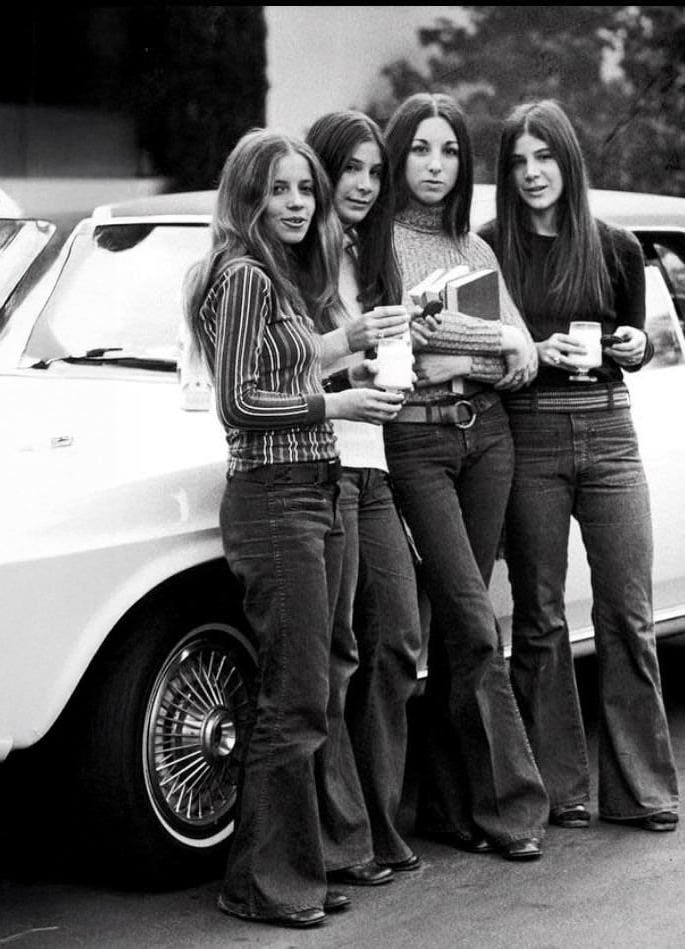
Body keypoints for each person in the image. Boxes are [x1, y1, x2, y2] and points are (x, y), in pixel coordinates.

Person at [183, 128, 405, 928]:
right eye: (279, 189)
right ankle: (263, 883)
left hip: (314, 486)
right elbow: (240, 402)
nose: (298, 203)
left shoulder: (274, 274)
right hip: (276, 497)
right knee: (296, 695)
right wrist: (338, 401)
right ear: (248, 197)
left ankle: (290, 870)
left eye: (305, 188)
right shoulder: (244, 274)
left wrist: (349, 354)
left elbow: (284, 366)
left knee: (305, 693)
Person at [482, 99, 679, 834]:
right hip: (529, 431)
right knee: (538, 615)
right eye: (518, 162)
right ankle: (560, 789)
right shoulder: (489, 249)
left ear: (569, 160)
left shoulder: (617, 246)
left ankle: (642, 790)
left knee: (628, 610)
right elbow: (481, 351)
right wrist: (533, 354)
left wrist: (637, 345)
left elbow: (638, 340)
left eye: (545, 157)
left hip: (610, 429)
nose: (533, 174)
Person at [382, 91, 549, 862]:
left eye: (449, 150)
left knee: (462, 630)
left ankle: (450, 808)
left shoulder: (476, 249)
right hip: (417, 445)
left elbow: (525, 356)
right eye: (421, 148)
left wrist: (476, 349)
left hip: (489, 440)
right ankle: (513, 808)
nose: (435, 165)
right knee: (476, 621)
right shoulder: (379, 243)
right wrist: (492, 342)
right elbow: (408, 340)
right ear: (399, 155)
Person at [305, 109, 424, 875]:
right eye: (350, 167)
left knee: (401, 639)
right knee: (335, 654)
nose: (365, 184)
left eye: (376, 172)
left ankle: (377, 817)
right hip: (323, 462)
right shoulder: (295, 257)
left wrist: (395, 364)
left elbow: (393, 359)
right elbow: (278, 366)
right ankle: (341, 835)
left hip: (373, 464)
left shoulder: (372, 258)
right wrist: (349, 363)